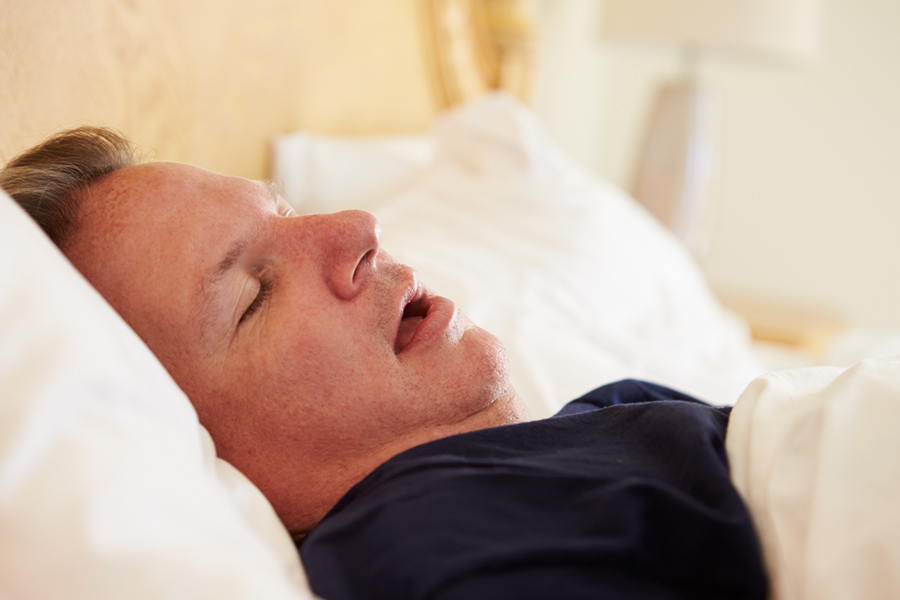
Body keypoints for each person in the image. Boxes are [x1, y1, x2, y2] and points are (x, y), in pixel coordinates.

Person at [1, 127, 767, 599]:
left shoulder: (568, 441)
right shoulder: (436, 550)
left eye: (289, 209)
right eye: (254, 294)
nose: (359, 227)